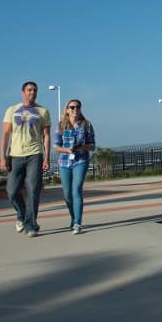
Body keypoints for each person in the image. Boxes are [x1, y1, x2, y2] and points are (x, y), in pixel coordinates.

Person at [0, 81, 51, 238]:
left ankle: (31, 225)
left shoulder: (43, 111)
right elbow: (5, 135)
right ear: (23, 92)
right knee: (12, 191)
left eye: (35, 90)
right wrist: (2, 157)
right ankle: (21, 215)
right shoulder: (12, 110)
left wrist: (46, 157)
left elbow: (46, 136)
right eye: (29, 90)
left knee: (33, 191)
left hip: (35, 154)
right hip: (15, 155)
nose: (32, 92)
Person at [54, 99, 96, 234]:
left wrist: (81, 147)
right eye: (72, 107)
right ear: (67, 110)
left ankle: (78, 222)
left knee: (76, 190)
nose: (75, 109)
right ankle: (73, 218)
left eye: (77, 107)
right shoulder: (60, 125)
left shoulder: (86, 125)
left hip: (81, 160)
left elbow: (92, 145)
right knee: (67, 194)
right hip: (65, 162)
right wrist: (67, 150)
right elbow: (56, 146)